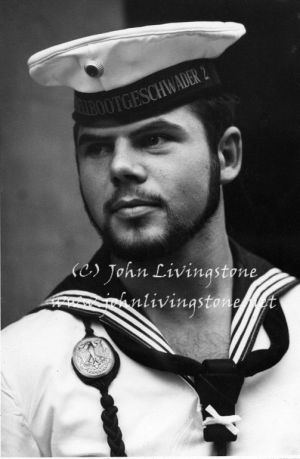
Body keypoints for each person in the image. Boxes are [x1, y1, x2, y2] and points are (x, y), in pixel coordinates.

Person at [2, 21, 300, 457]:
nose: (121, 166)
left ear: (227, 155)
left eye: (153, 139)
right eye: (97, 148)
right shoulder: (20, 367)